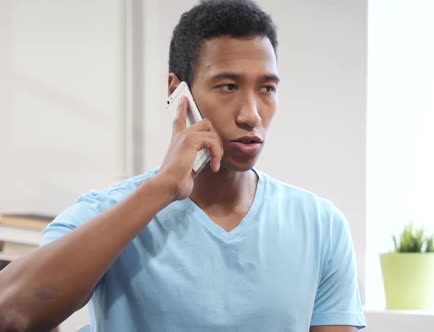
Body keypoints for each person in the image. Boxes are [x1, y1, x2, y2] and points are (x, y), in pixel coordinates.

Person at [0, 0, 366, 331]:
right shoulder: (109, 211)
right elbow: (11, 312)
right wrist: (161, 189)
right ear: (178, 92)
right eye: (227, 86)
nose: (252, 115)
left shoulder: (321, 225)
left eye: (267, 89)